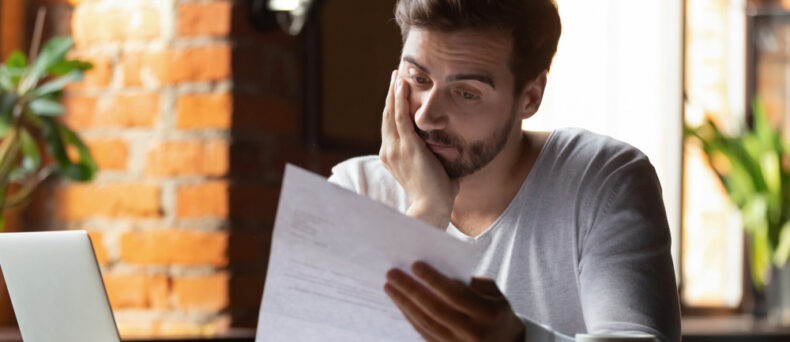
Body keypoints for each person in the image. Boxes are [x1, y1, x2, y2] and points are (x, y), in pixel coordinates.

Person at [327, 0, 681, 341]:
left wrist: (520, 339)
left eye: (466, 93)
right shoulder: (354, 189)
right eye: (418, 79)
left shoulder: (604, 181)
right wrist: (427, 212)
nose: (425, 116)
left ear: (530, 97)